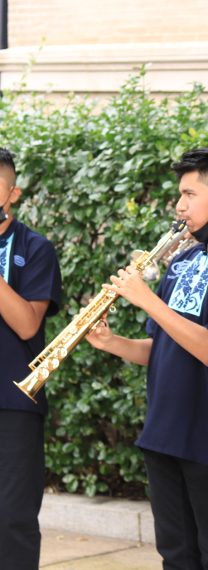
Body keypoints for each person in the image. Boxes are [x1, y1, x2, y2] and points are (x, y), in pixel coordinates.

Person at [86, 146, 208, 569]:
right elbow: (162, 349)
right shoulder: (182, 262)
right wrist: (114, 343)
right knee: (176, 556)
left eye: (189, 195)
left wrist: (147, 299)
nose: (179, 207)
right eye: (178, 195)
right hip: (163, 433)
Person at [0, 148, 62, 569]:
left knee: (12, 519)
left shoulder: (35, 248)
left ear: (13, 193)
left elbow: (26, 325)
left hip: (13, 403)